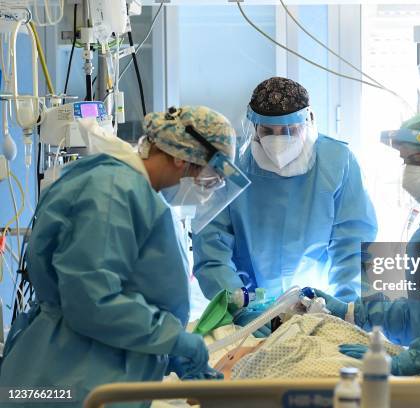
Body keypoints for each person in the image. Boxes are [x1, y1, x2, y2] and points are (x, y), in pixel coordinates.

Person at [0, 106, 249, 406]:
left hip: (94, 370)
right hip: (64, 378)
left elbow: (135, 293)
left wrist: (169, 353)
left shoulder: (140, 195)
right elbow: (91, 299)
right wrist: (173, 339)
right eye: (211, 178)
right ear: (182, 157)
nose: (207, 191)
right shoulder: (111, 191)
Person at [193, 77, 377, 309]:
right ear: (254, 127)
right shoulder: (232, 165)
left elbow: (353, 245)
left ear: (308, 122)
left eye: (289, 130)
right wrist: (236, 302)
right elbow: (211, 245)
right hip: (248, 303)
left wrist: (344, 308)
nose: (278, 141)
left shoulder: (337, 161)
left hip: (317, 303)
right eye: (268, 131)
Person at [315, 112, 420, 380]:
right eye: (405, 162)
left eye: (418, 160)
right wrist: (351, 312)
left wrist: (403, 362)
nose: (410, 171)